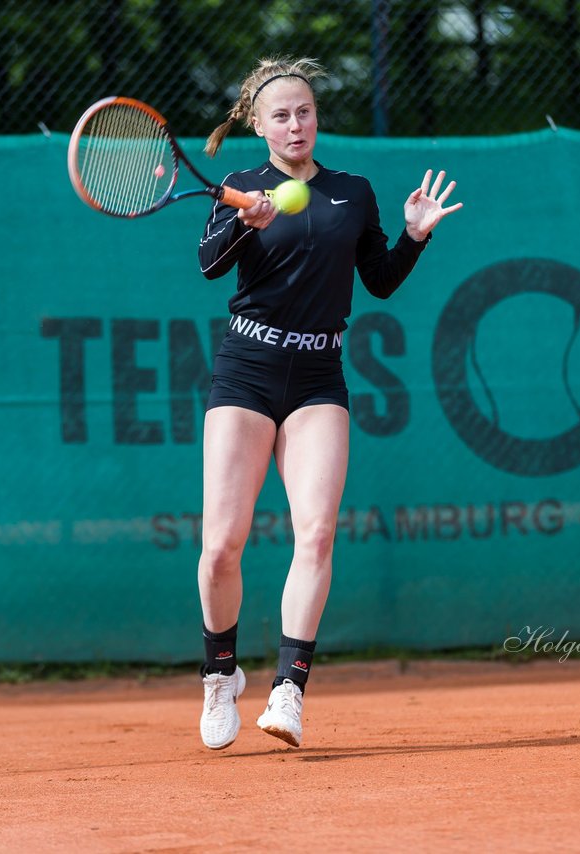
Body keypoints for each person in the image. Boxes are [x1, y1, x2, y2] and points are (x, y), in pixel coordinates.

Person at [194, 56, 462, 750]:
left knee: (315, 533)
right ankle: (220, 673)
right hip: (246, 370)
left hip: (318, 376)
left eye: (305, 111)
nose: (295, 124)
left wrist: (414, 235)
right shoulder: (238, 188)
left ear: (317, 118)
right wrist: (243, 223)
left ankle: (288, 689)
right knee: (222, 546)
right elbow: (208, 265)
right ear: (258, 124)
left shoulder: (353, 191)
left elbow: (379, 280)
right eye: (281, 114)